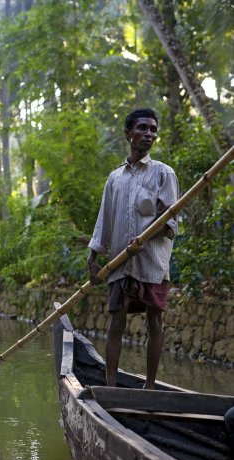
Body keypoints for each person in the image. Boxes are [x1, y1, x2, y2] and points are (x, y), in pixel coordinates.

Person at [87, 108, 179, 389]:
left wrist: (144, 239)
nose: (149, 134)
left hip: (152, 263)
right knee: (116, 322)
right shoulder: (115, 178)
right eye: (142, 128)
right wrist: (93, 256)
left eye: (153, 129)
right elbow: (106, 218)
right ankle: (111, 387)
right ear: (128, 134)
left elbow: (170, 222)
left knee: (155, 321)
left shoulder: (164, 173)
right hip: (120, 263)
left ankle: (150, 386)